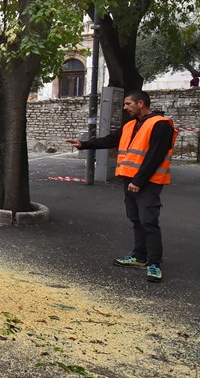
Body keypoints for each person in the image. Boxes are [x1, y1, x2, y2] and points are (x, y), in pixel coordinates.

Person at [65, 90, 178, 283]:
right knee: (135, 219)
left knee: (148, 220)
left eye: (128, 104)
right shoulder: (130, 125)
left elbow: (155, 156)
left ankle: (154, 263)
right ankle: (139, 256)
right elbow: (111, 140)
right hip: (129, 179)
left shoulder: (160, 125)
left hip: (147, 182)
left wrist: (138, 181)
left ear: (141, 103)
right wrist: (84, 144)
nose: (125, 108)